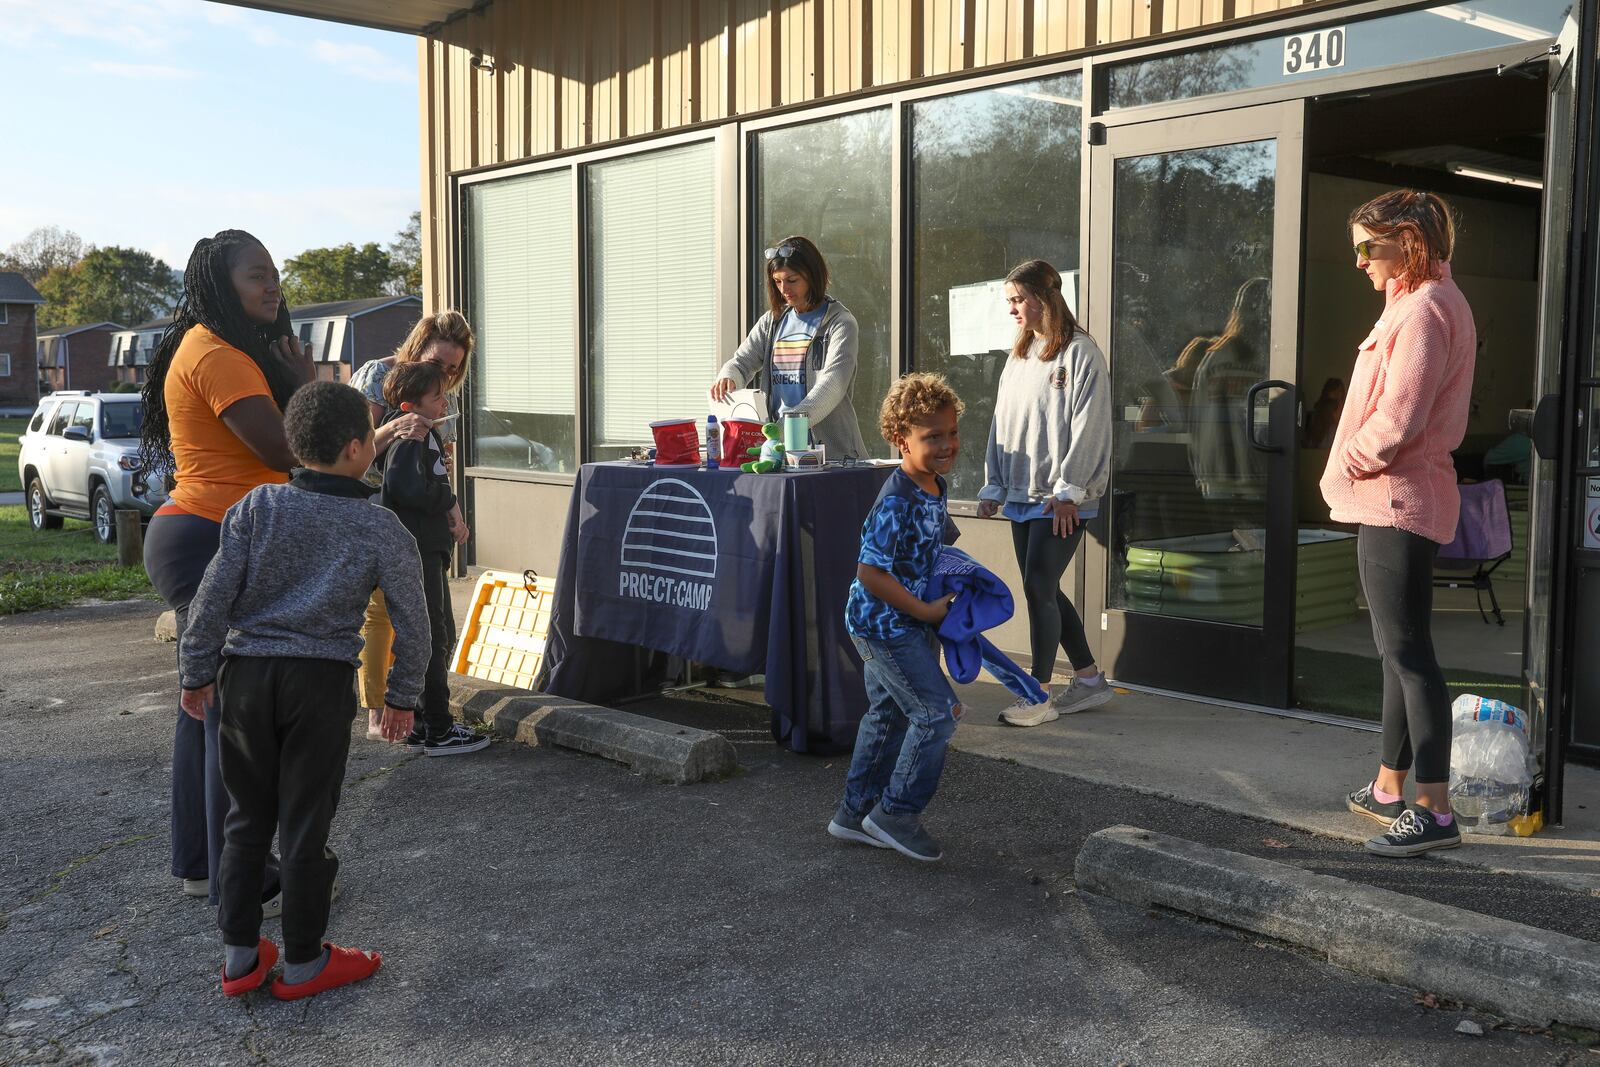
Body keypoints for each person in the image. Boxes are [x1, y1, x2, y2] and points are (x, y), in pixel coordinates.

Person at [178, 382, 430, 999]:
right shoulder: (382, 528)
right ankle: (304, 960)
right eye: (372, 436)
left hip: (244, 677)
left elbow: (213, 596)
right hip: (317, 685)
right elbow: (414, 623)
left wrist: (196, 669)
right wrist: (401, 696)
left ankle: (240, 959)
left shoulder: (257, 506)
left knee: (245, 821)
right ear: (355, 449)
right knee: (305, 825)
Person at [139, 229, 311, 910]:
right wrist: (302, 385)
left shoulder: (216, 347)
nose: (271, 286)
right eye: (254, 275)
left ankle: (202, 863)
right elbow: (285, 447)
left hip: (203, 533)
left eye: (274, 274)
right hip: (213, 536)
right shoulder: (218, 352)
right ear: (219, 284)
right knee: (229, 712)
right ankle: (241, 877)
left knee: (203, 704)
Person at [1322, 189, 1476, 858]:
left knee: (1410, 656)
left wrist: (1345, 465)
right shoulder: (1420, 303)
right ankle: (1389, 789)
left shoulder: (1424, 310)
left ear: (1407, 239)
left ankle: (1435, 809)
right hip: (1395, 498)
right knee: (1397, 651)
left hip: (1397, 499)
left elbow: (1399, 419)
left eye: (1366, 246)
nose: (1358, 262)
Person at [826, 372, 964, 863]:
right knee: (936, 714)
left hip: (905, 623)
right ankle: (894, 814)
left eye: (951, 432)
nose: (947, 444)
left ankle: (853, 814)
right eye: (932, 437)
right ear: (900, 440)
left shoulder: (934, 484)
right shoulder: (896, 500)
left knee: (888, 713)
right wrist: (926, 609)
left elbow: (937, 546)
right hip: (884, 627)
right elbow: (870, 572)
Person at [975, 259, 1113, 727]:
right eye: (1008, 301)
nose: (1012, 309)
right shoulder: (1019, 356)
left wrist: (1070, 490)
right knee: (1044, 587)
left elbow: (1090, 425)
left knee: (1037, 586)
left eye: (1018, 299)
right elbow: (1002, 423)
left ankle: (1037, 694)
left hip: (1061, 499)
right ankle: (1090, 680)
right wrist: (994, 484)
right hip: (1020, 494)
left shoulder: (1081, 353)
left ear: (1045, 297)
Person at [349, 311, 475, 741]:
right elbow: (350, 450)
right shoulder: (377, 377)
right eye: (438, 363)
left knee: (424, 619)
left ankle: (410, 714)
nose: (445, 375)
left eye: (453, 370)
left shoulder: (444, 399)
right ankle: (378, 711)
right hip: (368, 502)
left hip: (422, 522)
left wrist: (451, 506)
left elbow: (441, 466)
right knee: (383, 613)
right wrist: (396, 428)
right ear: (415, 349)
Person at [377, 361, 486, 755]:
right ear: (410, 406)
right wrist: (448, 499)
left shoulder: (421, 432)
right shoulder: (411, 435)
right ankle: (438, 727)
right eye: (436, 396)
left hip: (423, 547)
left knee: (428, 634)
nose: (444, 403)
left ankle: (423, 725)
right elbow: (405, 488)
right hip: (419, 548)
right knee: (433, 636)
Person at [708, 235, 868, 460]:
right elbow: (742, 362)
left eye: (792, 280)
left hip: (833, 457)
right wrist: (729, 376)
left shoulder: (840, 322)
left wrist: (786, 427)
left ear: (813, 276)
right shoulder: (772, 321)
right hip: (781, 452)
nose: (784, 289)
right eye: (777, 281)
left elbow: (832, 385)